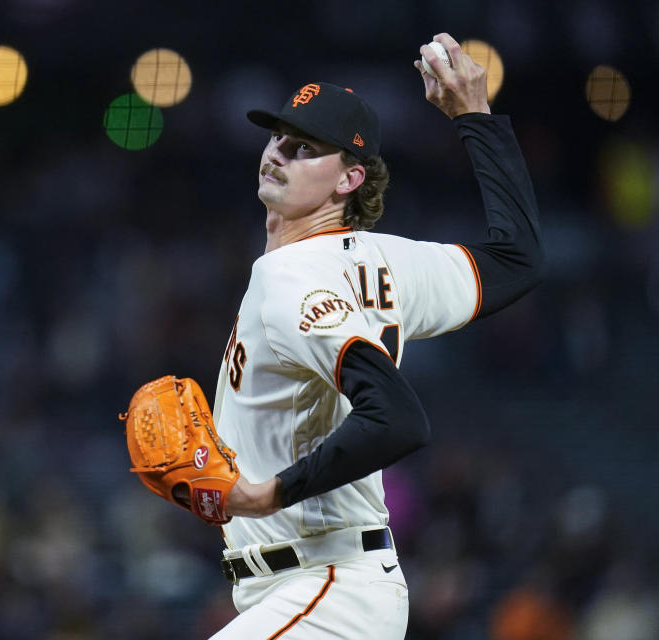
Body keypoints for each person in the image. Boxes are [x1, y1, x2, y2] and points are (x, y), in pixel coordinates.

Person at [206, 33, 543, 638]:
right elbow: (517, 259)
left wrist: (268, 494)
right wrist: (475, 116)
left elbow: (396, 417)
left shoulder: (288, 275)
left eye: (305, 147)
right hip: (317, 589)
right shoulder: (393, 263)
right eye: (277, 137)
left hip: (326, 586)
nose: (278, 152)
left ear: (349, 178)